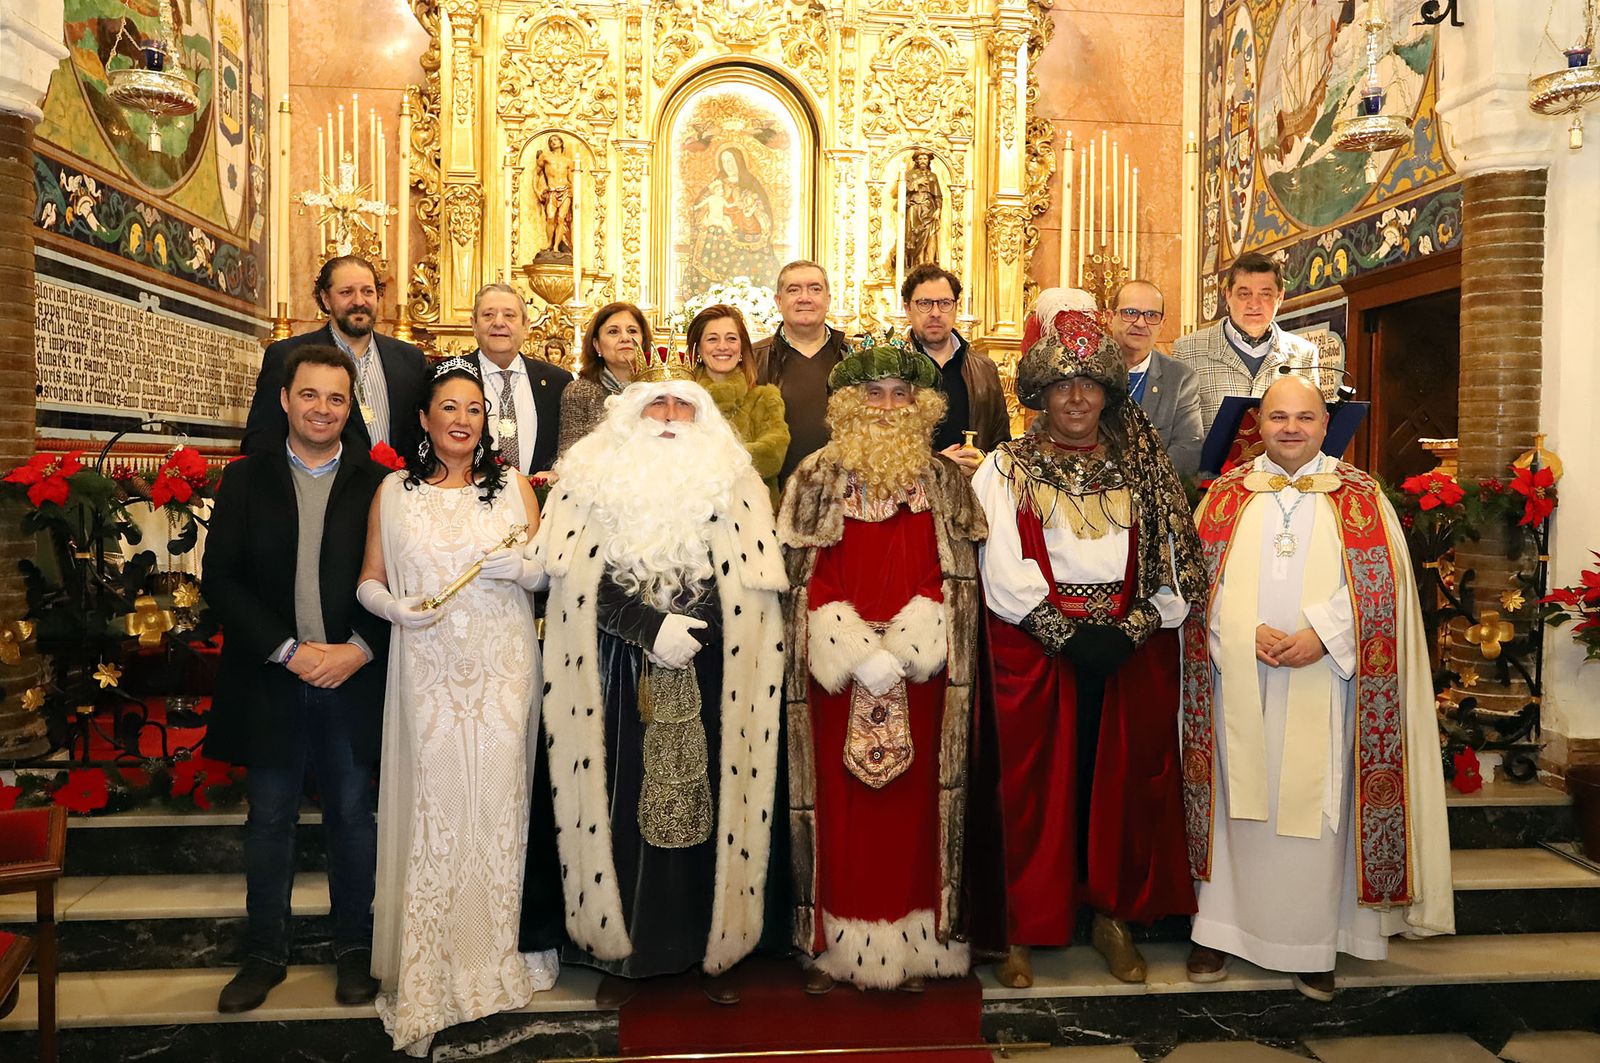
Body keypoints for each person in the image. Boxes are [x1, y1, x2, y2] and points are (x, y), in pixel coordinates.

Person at [1183, 374, 1453, 1001]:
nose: (1291, 428)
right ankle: (1218, 930)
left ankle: (1313, 943)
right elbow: (1197, 584)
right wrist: (1240, 631)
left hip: (1325, 680)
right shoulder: (1225, 496)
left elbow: (1382, 590)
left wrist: (1324, 636)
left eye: (1305, 417)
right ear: (1259, 422)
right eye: (1279, 416)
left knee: (1316, 811)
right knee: (1234, 802)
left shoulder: (1360, 496)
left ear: (1326, 424)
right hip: (1237, 681)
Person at [536, 349, 787, 1004]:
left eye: (684, 406)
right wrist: (649, 630)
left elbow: (753, 584)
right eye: (657, 405)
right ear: (627, 417)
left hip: (712, 667)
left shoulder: (734, 484)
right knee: (620, 810)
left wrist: (692, 629)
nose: (671, 417)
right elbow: (577, 578)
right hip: (615, 673)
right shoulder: (586, 480)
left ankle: (708, 950)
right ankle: (629, 958)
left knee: (709, 808)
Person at [972, 305, 1207, 988]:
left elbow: (1176, 564)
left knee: (1120, 789)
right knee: (1029, 790)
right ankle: (1020, 924)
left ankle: (1112, 916)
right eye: (1061, 386)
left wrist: (1135, 629)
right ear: (1040, 395)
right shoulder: (1006, 465)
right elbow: (1001, 565)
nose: (1076, 398)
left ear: (1107, 392)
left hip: (1128, 649)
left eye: (1089, 385)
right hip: (1035, 648)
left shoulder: (1144, 467)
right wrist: (1063, 634)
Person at [357, 358, 556, 1054]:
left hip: (503, 669)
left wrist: (526, 568)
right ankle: (436, 959)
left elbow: (548, 567)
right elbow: (368, 579)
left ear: (486, 421)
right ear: (424, 419)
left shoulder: (515, 493)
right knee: (438, 806)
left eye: (473, 409)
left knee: (500, 804)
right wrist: (392, 607)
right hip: (429, 667)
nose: (462, 420)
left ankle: (501, 951)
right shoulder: (393, 491)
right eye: (449, 408)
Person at [778, 336, 987, 992]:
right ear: (847, 404)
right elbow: (800, 575)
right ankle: (835, 946)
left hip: (921, 673)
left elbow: (957, 574)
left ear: (924, 405)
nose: (888, 406)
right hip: (836, 677)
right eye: (874, 393)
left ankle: (916, 941)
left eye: (903, 394)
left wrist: (908, 647)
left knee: (916, 811)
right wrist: (851, 648)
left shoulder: (948, 480)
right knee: (839, 812)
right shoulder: (813, 476)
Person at [203, 345, 390, 1014]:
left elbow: (400, 581)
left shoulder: (378, 485)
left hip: (350, 680)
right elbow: (220, 579)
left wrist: (360, 650)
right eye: (310, 395)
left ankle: (355, 952)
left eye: (336, 399)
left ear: (350, 408)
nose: (322, 408)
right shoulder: (245, 480)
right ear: (285, 399)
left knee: (351, 817)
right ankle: (263, 953)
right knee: (271, 819)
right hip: (271, 678)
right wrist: (287, 649)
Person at [243, 255, 430, 460]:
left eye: (368, 291)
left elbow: (423, 436)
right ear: (326, 299)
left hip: (397, 487)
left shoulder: (410, 360)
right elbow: (262, 439)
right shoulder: (287, 355)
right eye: (346, 292)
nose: (359, 301)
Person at [1172, 251, 1329, 436]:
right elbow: (1177, 431)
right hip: (1209, 465)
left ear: (1280, 297)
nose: (1254, 304)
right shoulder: (1188, 350)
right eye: (1244, 294)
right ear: (1228, 295)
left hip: (1280, 464)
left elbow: (1314, 426)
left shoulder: (1303, 353)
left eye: (1265, 294)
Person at [902, 263, 1010, 469]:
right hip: (912, 496)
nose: (935, 313)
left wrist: (985, 463)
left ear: (955, 307)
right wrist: (936, 464)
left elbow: (1001, 441)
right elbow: (879, 445)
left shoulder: (984, 369)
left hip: (972, 491)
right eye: (925, 303)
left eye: (944, 303)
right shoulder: (893, 369)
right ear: (908, 308)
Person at [752, 260, 850, 482]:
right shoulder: (752, 359)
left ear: (828, 300)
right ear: (779, 301)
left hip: (842, 498)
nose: (804, 297)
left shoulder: (854, 358)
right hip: (773, 496)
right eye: (793, 290)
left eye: (815, 289)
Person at [688, 304, 789, 505]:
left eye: (731, 338)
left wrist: (709, 459)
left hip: (753, 516)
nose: (723, 346)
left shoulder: (764, 398)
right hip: (693, 514)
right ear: (698, 348)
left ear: (742, 347)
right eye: (712, 339)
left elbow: (772, 456)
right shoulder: (682, 401)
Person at [470, 283, 572, 478]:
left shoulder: (557, 382)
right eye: (488, 315)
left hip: (538, 504)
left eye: (509, 315)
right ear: (474, 325)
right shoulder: (451, 375)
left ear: (526, 326)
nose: (499, 322)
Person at [1105, 280, 1203, 477]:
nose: (1141, 323)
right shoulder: (1085, 370)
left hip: (1154, 497)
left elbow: (1188, 448)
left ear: (1162, 325)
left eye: (1151, 315)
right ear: (1109, 318)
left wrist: (1140, 483)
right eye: (1130, 313)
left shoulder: (1180, 378)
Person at [557, 301, 652, 459]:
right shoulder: (580, 391)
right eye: (613, 331)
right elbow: (569, 457)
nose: (625, 338)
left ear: (643, 341)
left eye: (632, 331)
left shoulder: (658, 389)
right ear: (597, 345)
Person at [688, 146, 778, 290]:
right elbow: (701, 209)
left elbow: (760, 212)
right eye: (724, 161)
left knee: (757, 255)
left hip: (746, 233)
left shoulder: (750, 185)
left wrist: (748, 216)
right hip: (718, 237)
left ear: (739, 161)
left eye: (730, 160)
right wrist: (705, 218)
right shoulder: (716, 185)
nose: (727, 165)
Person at [532, 133, 575, 256]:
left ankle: (556, 246)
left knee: (561, 218)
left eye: (556, 140)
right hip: (552, 191)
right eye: (551, 141)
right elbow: (536, 173)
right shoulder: (545, 157)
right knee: (550, 217)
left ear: (561, 143)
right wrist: (536, 190)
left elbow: (572, 179)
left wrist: (573, 191)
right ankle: (549, 243)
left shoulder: (568, 161)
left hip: (565, 190)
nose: (553, 142)